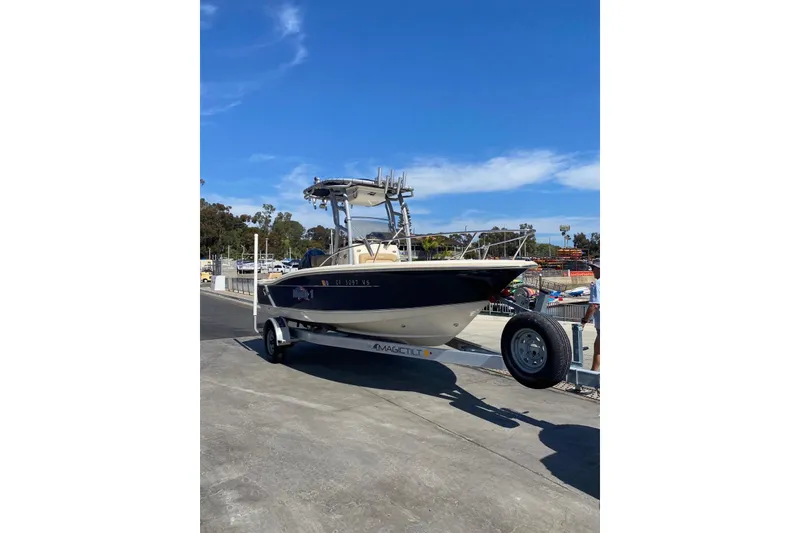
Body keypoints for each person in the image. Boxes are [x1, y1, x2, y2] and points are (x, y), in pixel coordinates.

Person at [581, 259, 600, 372]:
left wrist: (584, 321)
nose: (592, 271)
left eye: (593, 268)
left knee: (598, 351)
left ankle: (593, 374)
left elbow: (594, 305)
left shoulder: (598, 284)